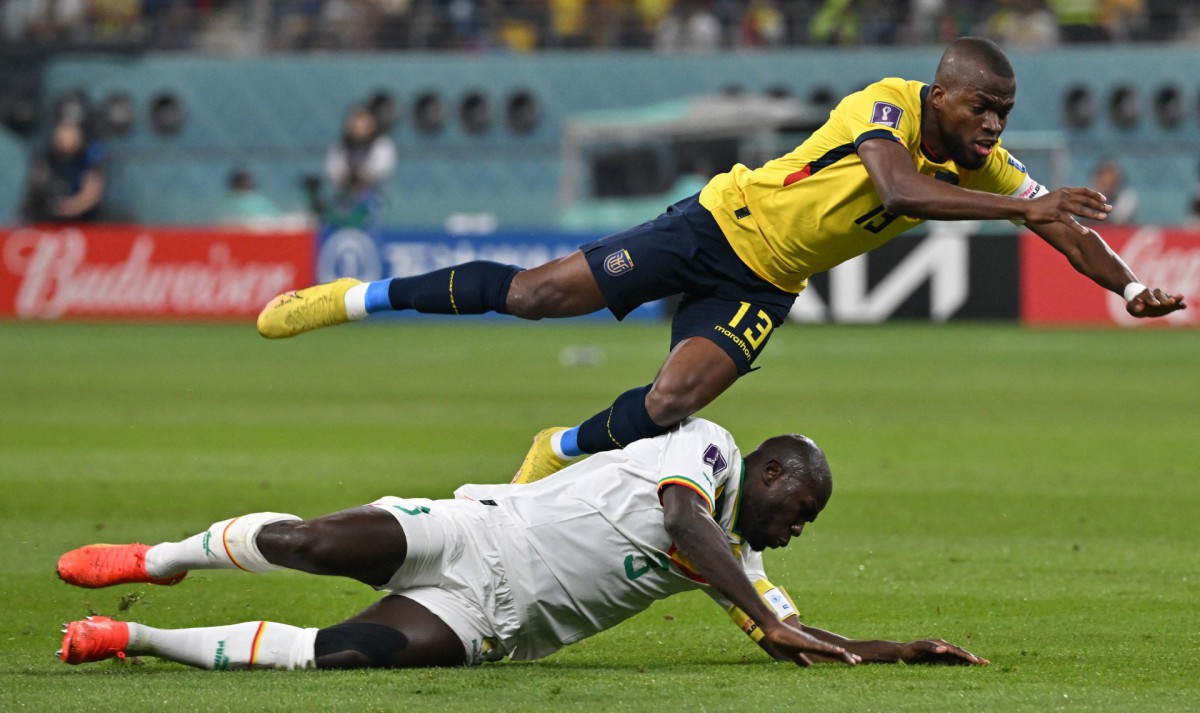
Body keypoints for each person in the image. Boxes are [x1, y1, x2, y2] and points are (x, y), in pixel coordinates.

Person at [255, 37, 1185, 486]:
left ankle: (559, 449)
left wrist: (1131, 283)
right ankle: (352, 295)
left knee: (673, 403)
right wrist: (1019, 203)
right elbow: (899, 193)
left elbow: (1066, 229)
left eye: (1004, 117)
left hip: (768, 283)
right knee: (541, 295)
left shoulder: (984, 159)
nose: (993, 126)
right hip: (715, 222)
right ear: (943, 92)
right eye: (983, 108)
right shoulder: (887, 105)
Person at [55, 419, 986, 671]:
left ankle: (131, 638)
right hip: (475, 529)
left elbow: (800, 634)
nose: (794, 530)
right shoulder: (708, 452)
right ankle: (164, 559)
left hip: (489, 619)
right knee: (305, 541)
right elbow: (678, 518)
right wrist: (763, 619)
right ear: (775, 476)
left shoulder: (735, 567)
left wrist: (901, 648)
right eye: (800, 511)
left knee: (334, 657)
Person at [313, 104, 397, 229]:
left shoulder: (381, 144)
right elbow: (332, 170)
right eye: (354, 122)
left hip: (371, 196)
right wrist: (345, 177)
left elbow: (379, 170)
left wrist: (360, 176)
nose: (357, 126)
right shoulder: (341, 145)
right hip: (345, 195)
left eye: (362, 122)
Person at [20, 119, 105, 223]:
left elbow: (92, 193)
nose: (65, 139)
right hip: (48, 216)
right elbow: (37, 186)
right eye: (61, 134)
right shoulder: (46, 157)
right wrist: (51, 205)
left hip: (83, 218)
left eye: (70, 133)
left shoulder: (88, 158)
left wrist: (70, 207)